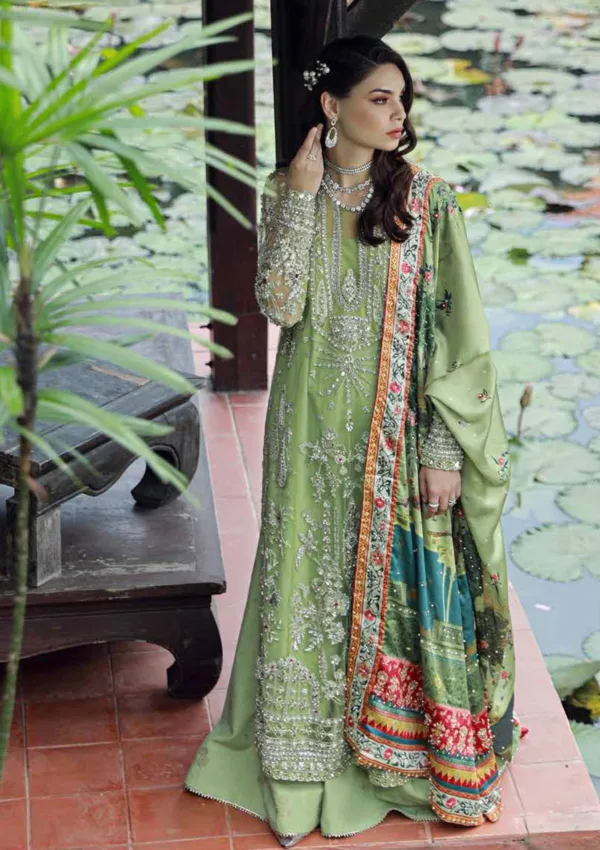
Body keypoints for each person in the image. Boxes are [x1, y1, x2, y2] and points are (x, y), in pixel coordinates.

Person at [186, 35, 523, 847]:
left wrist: (443, 449)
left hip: (397, 434)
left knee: (395, 585)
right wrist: (301, 199)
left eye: (402, 98)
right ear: (332, 105)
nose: (398, 113)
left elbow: (458, 335)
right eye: (380, 97)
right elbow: (281, 305)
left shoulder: (427, 201)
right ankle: (299, 760)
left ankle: (392, 754)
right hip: (307, 428)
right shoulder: (288, 188)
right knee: (304, 576)